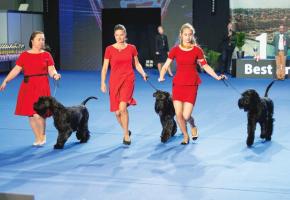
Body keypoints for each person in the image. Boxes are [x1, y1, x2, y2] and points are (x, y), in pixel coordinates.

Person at [159, 23, 226, 145]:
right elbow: (166, 65)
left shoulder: (197, 50)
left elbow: (205, 66)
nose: (187, 37)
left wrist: (216, 77)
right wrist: (161, 76)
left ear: (192, 35)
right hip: (178, 85)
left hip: (191, 84)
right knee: (178, 114)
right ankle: (185, 136)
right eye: (185, 34)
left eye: (190, 35)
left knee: (186, 115)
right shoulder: (175, 50)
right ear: (181, 35)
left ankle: (193, 125)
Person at [0, 31, 61, 146]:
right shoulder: (24, 55)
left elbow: (51, 69)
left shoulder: (47, 55)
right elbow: (16, 70)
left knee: (39, 114)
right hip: (28, 86)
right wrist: (6, 80)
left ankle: (43, 135)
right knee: (31, 114)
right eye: (39, 39)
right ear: (32, 41)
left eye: (43, 39)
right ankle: (37, 137)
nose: (42, 41)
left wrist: (55, 75)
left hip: (42, 85)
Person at [101, 24, 147, 145]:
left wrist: (143, 73)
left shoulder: (132, 48)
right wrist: (103, 82)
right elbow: (105, 68)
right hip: (114, 82)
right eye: (117, 35)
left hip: (128, 80)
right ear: (114, 36)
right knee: (117, 113)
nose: (119, 37)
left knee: (122, 108)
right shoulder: (109, 49)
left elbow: (137, 64)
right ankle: (126, 130)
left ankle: (126, 135)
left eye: (121, 35)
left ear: (125, 35)